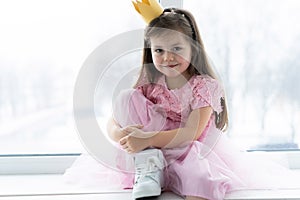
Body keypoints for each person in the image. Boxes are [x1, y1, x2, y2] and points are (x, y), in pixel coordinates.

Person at [64, 1, 299, 200]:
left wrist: (146, 138)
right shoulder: (150, 79)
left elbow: (191, 133)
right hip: (149, 147)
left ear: (192, 49)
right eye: (159, 51)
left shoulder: (203, 85)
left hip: (185, 148)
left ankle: (162, 169)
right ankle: (148, 167)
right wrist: (124, 137)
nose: (167, 57)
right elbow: (113, 121)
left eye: (176, 48)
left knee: (200, 178)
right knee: (126, 97)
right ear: (150, 50)